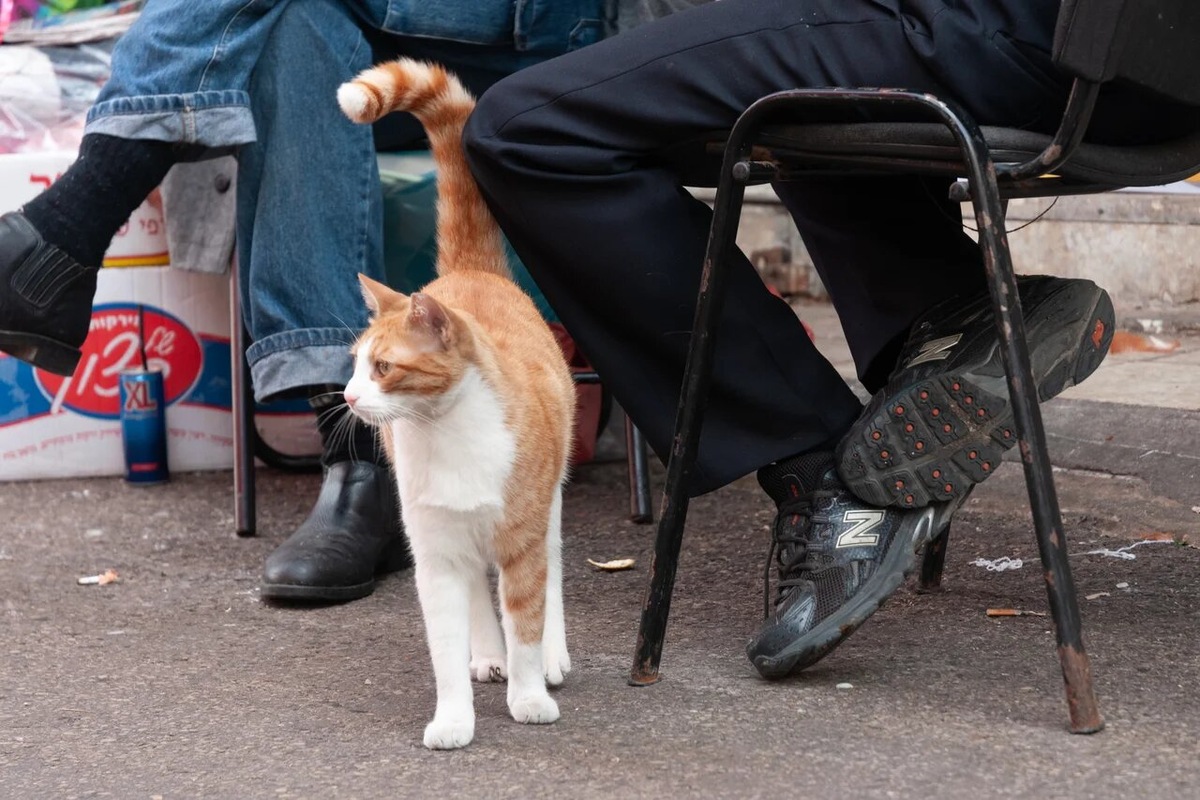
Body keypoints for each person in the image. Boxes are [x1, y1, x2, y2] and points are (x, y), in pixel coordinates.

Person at [463, 0, 1199, 677]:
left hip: (1015, 41)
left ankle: (818, 468)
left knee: (528, 130)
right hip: (1157, 79)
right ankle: (950, 324)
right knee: (792, 43)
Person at [0, 0, 613, 602]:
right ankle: (357, 468)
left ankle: (68, 228)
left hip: (519, 55)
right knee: (299, 28)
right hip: (359, 55)